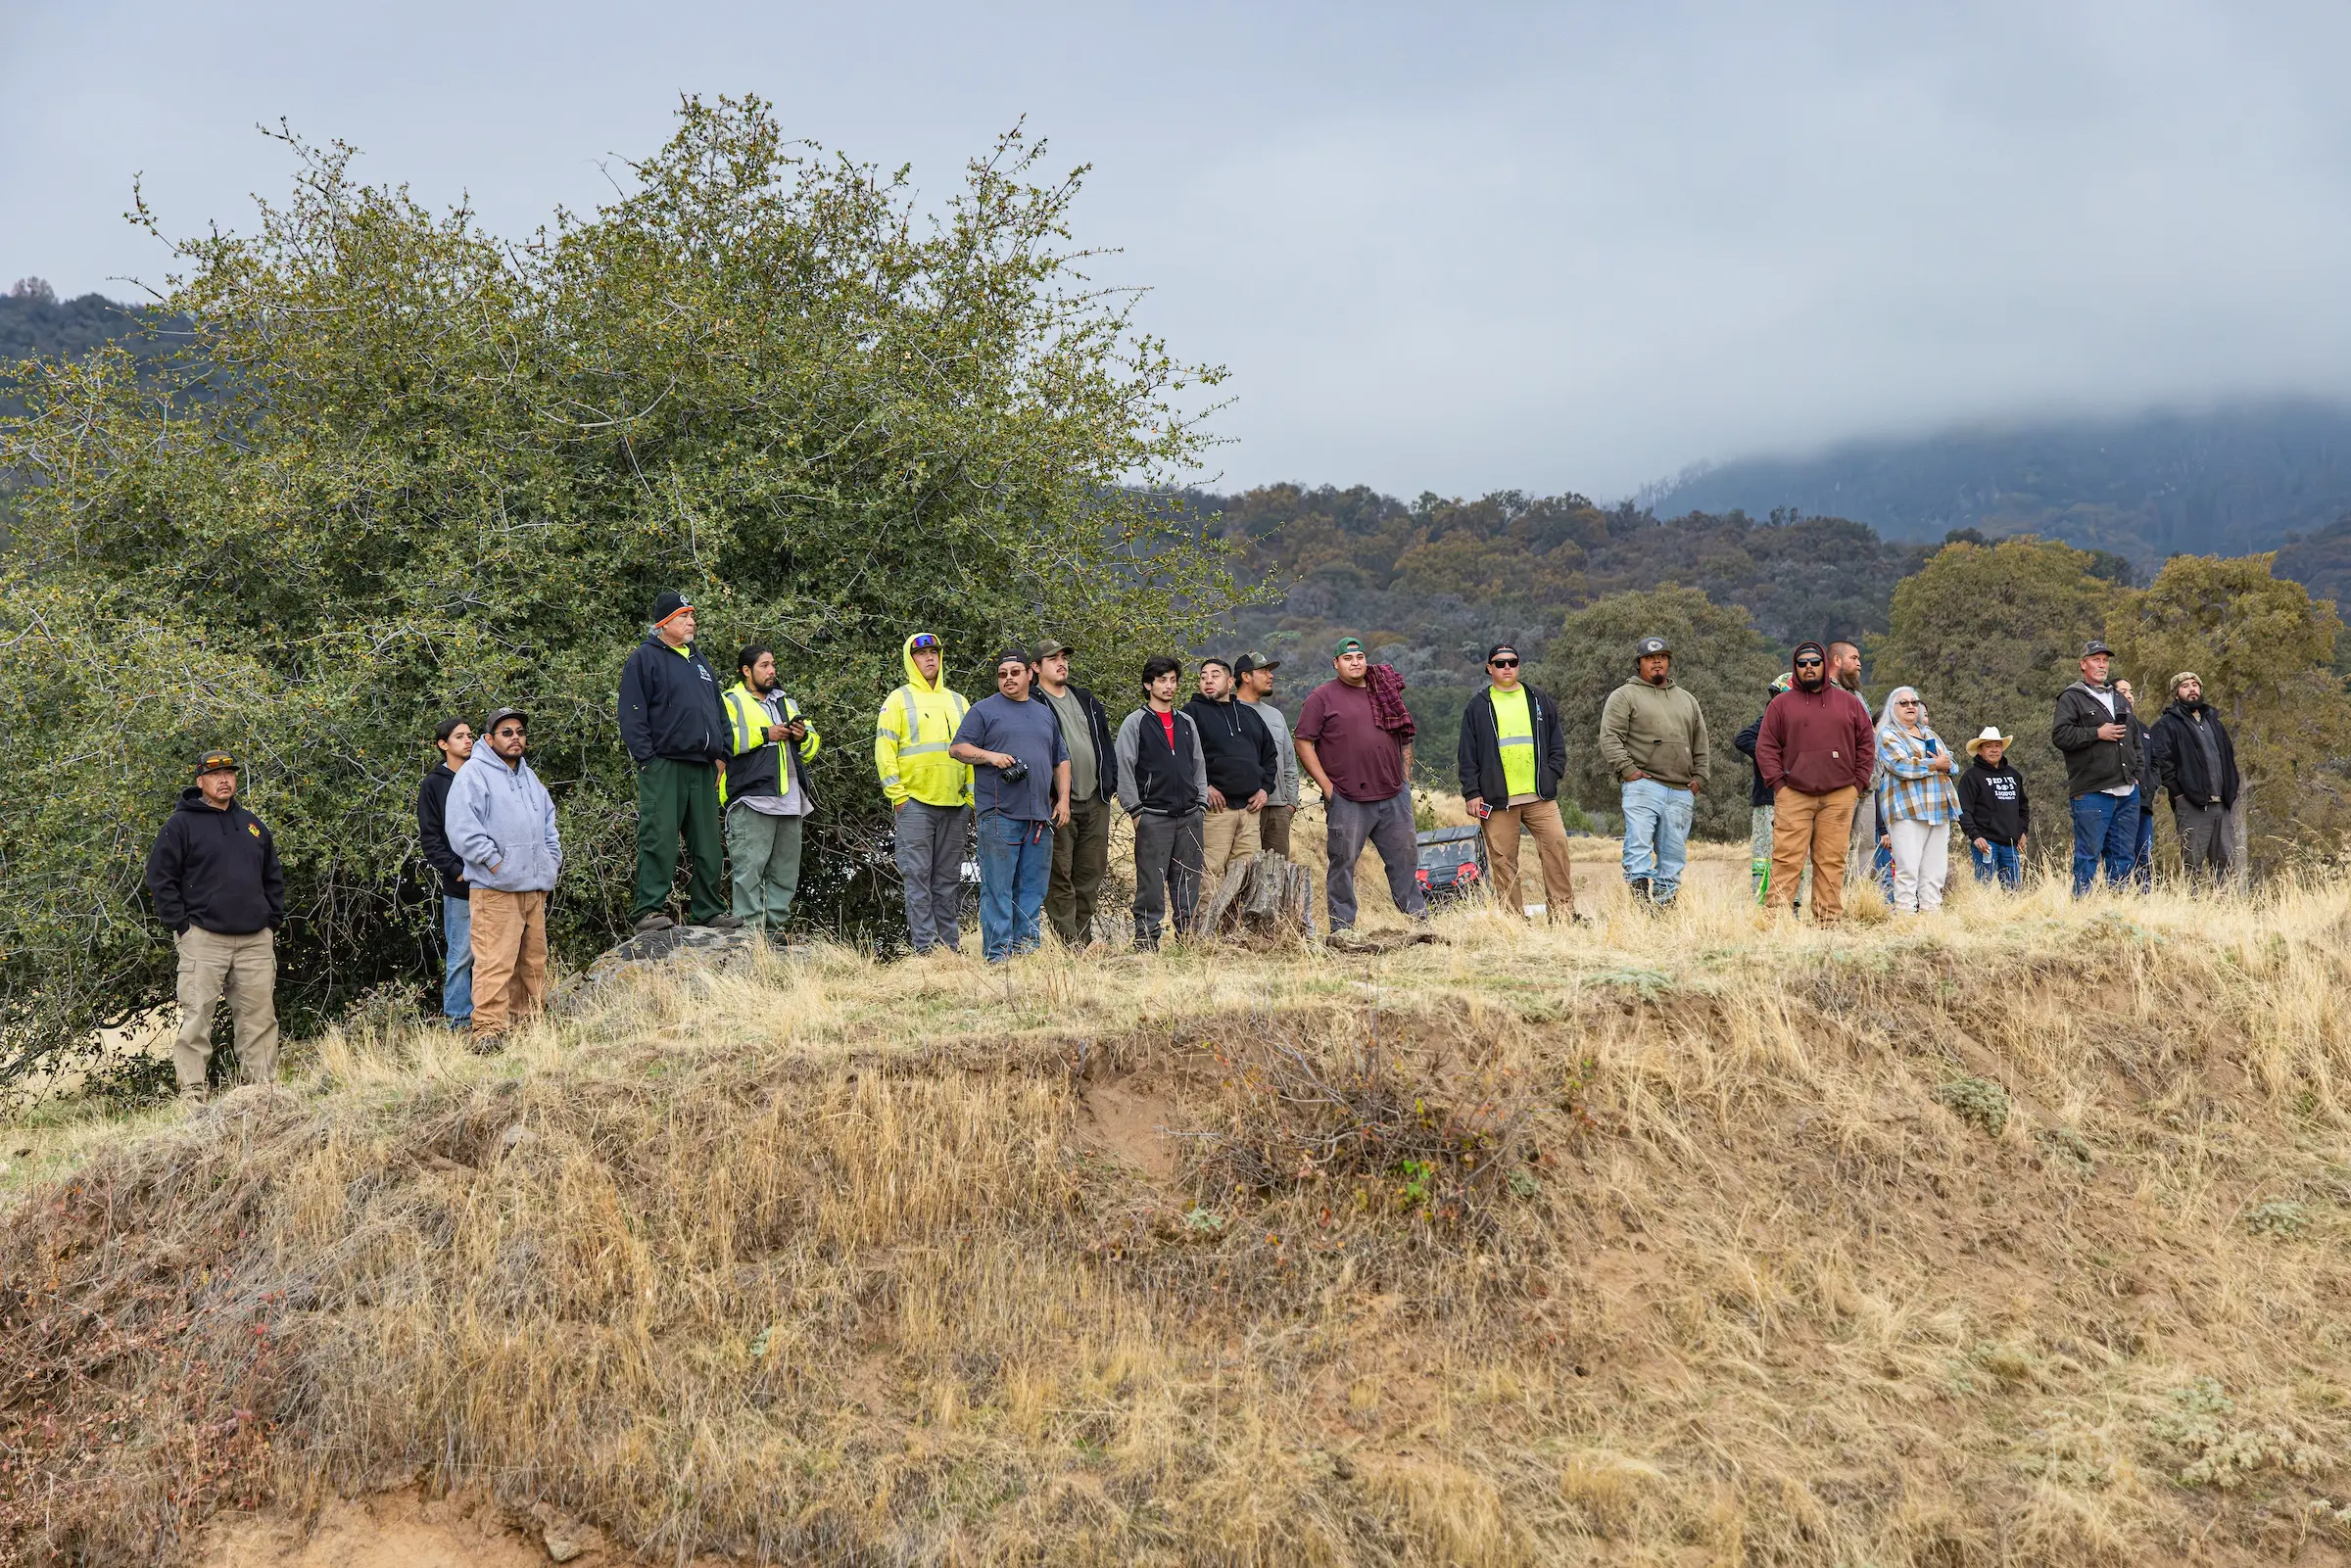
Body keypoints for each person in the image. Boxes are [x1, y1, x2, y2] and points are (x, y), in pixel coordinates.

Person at [144, 749, 284, 1103]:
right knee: (197, 1019)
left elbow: (273, 875)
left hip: (255, 940)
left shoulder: (252, 825)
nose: (224, 780)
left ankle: (260, 1094)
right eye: (215, 775)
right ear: (200, 782)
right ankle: (193, 1097)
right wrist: (181, 925)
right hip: (203, 939)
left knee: (259, 1018)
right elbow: (160, 878)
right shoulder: (180, 825)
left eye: (230, 773)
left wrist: (271, 921)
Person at [1295, 637, 1429, 937]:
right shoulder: (1322, 697)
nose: (1355, 662)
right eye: (1347, 658)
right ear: (1336, 663)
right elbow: (1303, 742)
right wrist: (1328, 787)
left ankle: (1419, 923)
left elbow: (1404, 735)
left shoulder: (1384, 690)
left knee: (1405, 860)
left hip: (1393, 794)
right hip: (1348, 797)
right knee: (1342, 863)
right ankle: (1342, 929)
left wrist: (1405, 778)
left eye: (1359, 656)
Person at [617, 592, 735, 933]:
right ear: (664, 623)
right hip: (664, 765)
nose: (691, 622)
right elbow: (631, 713)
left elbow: (718, 710)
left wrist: (722, 754)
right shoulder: (644, 659)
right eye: (684, 616)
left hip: (703, 767)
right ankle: (647, 911)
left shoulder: (700, 661)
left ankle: (708, 911)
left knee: (708, 844)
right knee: (660, 839)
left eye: (692, 615)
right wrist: (648, 760)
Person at [445, 708, 562, 1047]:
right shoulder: (473, 774)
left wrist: (550, 862)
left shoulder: (530, 777)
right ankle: (488, 1030)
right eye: (506, 732)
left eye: (520, 732)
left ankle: (528, 1025)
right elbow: (462, 829)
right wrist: (495, 863)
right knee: (494, 962)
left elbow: (549, 826)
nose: (515, 738)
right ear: (489, 738)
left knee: (532, 961)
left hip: (533, 887)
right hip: (495, 889)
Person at [950, 650, 1071, 963]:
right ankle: (998, 956)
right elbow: (958, 749)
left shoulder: (1044, 713)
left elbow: (1061, 760)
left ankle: (1026, 953)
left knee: (1032, 890)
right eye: (1002, 674)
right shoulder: (983, 710)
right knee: (998, 889)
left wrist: (1064, 799)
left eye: (1015, 672)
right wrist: (990, 756)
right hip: (999, 815)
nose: (1008, 679)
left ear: (1030, 674)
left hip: (1040, 817)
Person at [1754, 641, 1877, 925]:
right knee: (1787, 859)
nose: (1809, 667)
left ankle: (1828, 921)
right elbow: (1766, 747)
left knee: (1831, 860)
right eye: (1802, 663)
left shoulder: (1849, 702)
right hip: (1794, 794)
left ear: (1824, 663)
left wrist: (1857, 784)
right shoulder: (1781, 704)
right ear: (1795, 667)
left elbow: (1866, 744)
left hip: (1840, 795)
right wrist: (1779, 784)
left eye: (1814, 662)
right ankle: (1776, 922)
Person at [1456, 642, 1577, 920]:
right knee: (1503, 862)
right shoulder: (1478, 706)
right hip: (1498, 800)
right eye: (1500, 663)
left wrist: (1553, 773)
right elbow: (1467, 754)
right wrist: (1472, 792)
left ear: (1519, 665)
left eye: (1512, 662)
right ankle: (1514, 921)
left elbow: (1557, 742)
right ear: (1489, 668)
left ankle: (1563, 915)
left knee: (1557, 848)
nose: (1507, 667)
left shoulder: (1537, 698)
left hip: (1539, 796)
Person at [876, 632, 974, 956]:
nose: (929, 657)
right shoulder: (898, 700)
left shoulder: (958, 701)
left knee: (947, 881)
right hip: (915, 804)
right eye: (921, 653)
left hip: (955, 805)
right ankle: (926, 951)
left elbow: (972, 752)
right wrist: (898, 797)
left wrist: (970, 799)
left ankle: (949, 950)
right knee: (917, 879)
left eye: (934, 652)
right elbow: (884, 751)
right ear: (911, 659)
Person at [1597, 635, 1708, 908]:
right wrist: (1628, 770)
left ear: (1669, 662)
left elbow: (1701, 741)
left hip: (1681, 789)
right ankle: (1639, 904)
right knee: (1638, 844)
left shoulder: (1687, 699)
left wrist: (1700, 778)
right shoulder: (1624, 695)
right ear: (1639, 663)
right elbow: (1610, 737)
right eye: (1649, 658)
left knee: (1673, 854)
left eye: (1662, 657)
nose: (1657, 662)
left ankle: (1664, 909)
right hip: (1643, 784)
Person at [721, 644, 822, 936]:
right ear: (746, 670)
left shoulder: (786, 702)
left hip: (790, 800)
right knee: (749, 872)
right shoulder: (731, 700)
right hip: (751, 799)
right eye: (764, 665)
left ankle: (773, 935)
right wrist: (767, 733)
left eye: (773, 664)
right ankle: (749, 938)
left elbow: (813, 745)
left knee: (785, 875)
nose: (771, 671)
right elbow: (725, 740)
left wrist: (802, 737)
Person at [1115, 656, 1210, 949]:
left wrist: (1201, 803)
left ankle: (1188, 941)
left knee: (1188, 882)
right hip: (1153, 816)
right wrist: (1136, 811)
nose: (1169, 686)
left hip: (1190, 815)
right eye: (1162, 680)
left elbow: (1198, 764)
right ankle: (1146, 941)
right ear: (1148, 684)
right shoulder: (1135, 722)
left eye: (1173, 680)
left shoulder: (1186, 722)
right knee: (1151, 884)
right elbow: (1123, 768)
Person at [1034, 640, 1120, 946]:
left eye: (1064, 658)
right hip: (1058, 802)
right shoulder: (1033, 703)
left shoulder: (1086, 699)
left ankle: (1083, 941)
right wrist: (1048, 794)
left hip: (1095, 799)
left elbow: (1105, 743)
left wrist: (1109, 784)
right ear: (1035, 668)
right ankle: (1068, 944)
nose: (1061, 663)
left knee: (1090, 874)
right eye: (1052, 659)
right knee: (1059, 874)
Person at [2051, 640, 2146, 895]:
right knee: (2088, 855)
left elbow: (2135, 739)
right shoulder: (2072, 697)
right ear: (2083, 664)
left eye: (2105, 660)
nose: (2102, 665)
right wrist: (2097, 733)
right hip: (2092, 791)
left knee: (2124, 856)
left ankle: (2117, 907)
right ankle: (2082, 906)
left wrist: (2136, 775)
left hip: (2127, 791)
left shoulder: (2119, 698)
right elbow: (2060, 736)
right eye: (2096, 660)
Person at [1184, 657, 1279, 891]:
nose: (1208, 681)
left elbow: (1269, 756)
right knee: (1208, 874)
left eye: (1215, 676)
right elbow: (1182, 758)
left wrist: (1265, 789)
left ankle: (1239, 918)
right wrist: (1203, 787)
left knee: (1248, 875)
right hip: (1215, 810)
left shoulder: (1249, 715)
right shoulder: (1190, 714)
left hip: (1249, 811)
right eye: (1203, 677)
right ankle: (1203, 918)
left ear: (1229, 682)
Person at [2146, 671, 2240, 884]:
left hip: (2222, 805)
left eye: (2195, 685)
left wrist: (2231, 790)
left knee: (2225, 865)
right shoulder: (2167, 724)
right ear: (2175, 693)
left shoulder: (2214, 722)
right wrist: (2180, 794)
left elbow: (2228, 758)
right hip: (2192, 806)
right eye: (2185, 686)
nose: (2192, 689)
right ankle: (2192, 904)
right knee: (2192, 866)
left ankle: (2225, 904)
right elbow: (2161, 762)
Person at [1874, 687, 1958, 914]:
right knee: (1908, 869)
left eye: (1914, 702)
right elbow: (1900, 766)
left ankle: (1931, 915)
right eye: (1904, 703)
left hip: (1939, 808)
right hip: (1907, 808)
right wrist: (1935, 764)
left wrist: (1942, 764)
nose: (1911, 706)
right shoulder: (1888, 734)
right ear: (1892, 708)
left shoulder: (1929, 733)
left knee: (1935, 871)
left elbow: (1952, 763)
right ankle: (1906, 918)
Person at [415, 718, 475, 1029]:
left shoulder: (481, 775)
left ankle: (491, 1018)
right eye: (459, 736)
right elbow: (431, 838)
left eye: (470, 735)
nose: (468, 740)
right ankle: (459, 1023)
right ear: (443, 744)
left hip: (496, 884)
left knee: (495, 955)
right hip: (461, 887)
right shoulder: (434, 784)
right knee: (461, 956)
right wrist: (457, 872)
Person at [1733, 672, 1805, 909]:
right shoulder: (1767, 720)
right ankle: (1764, 903)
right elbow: (1742, 738)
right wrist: (1771, 753)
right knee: (1765, 853)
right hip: (1768, 799)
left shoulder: (1809, 722)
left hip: (1800, 798)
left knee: (1795, 852)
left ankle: (1794, 902)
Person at [1234, 653, 1299, 857]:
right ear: (1246, 676)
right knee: (1241, 869)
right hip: (1243, 809)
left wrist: (1290, 804)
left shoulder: (1276, 715)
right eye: (1263, 671)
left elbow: (1289, 763)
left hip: (1278, 810)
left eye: (1270, 671)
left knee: (1277, 871)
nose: (1270, 676)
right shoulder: (1227, 712)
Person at [1957, 728, 2030, 888]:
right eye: (1988, 746)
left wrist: (2023, 831)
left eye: (1997, 745)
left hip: (2011, 844)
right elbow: (1963, 809)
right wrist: (1975, 836)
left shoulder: (2014, 775)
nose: (1994, 750)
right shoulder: (1971, 776)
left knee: (2013, 891)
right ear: (1980, 751)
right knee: (1983, 889)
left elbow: (2023, 806)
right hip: (1986, 843)